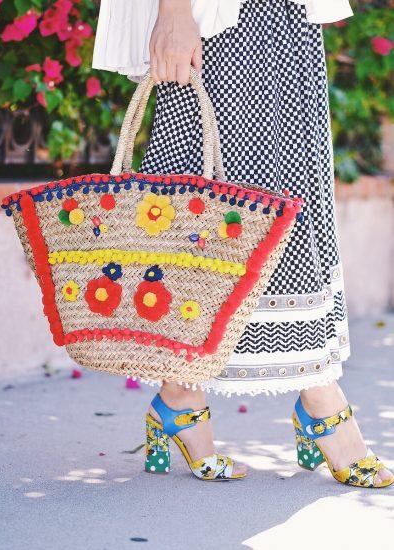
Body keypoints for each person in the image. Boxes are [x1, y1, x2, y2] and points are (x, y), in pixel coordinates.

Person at [92, 0, 394, 486]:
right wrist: (173, 12)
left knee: (280, 194)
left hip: (284, 16)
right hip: (223, 18)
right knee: (226, 203)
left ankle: (180, 395)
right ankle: (317, 395)